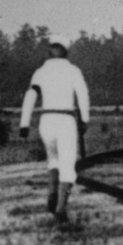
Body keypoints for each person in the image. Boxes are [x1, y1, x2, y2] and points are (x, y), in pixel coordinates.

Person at [19, 33, 90, 223]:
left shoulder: (40, 72)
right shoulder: (73, 71)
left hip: (47, 120)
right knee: (67, 164)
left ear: (50, 50)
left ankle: (52, 192)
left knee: (53, 160)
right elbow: (82, 95)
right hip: (65, 119)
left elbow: (31, 95)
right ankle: (60, 208)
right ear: (66, 51)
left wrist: (24, 123)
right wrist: (84, 119)